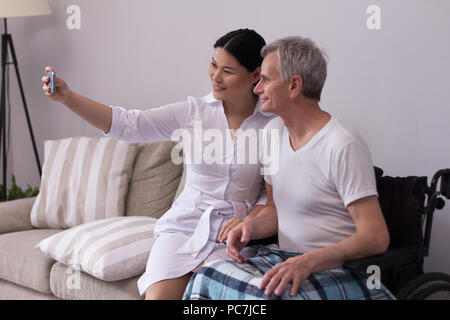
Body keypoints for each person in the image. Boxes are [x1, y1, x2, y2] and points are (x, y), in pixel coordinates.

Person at [41, 29, 275, 300]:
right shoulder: (193, 112)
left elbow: (268, 195)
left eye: (228, 70)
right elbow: (127, 124)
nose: (215, 76)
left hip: (234, 238)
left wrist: (249, 222)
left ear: (255, 75)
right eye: (213, 64)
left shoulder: (272, 124)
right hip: (184, 228)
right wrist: (68, 98)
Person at [182, 36, 396, 300]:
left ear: (294, 85)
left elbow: (376, 237)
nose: (257, 89)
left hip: (338, 270)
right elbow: (274, 209)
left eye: (266, 80)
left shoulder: (343, 144)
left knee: (263, 297)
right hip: (284, 259)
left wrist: (308, 262)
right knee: (207, 275)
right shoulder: (273, 133)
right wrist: (250, 227)